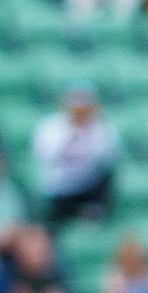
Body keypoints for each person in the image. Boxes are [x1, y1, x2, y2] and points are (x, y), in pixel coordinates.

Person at [31, 85, 119, 225]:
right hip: (59, 187)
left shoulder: (100, 128)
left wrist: (87, 132)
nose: (79, 112)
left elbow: (107, 158)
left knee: (107, 177)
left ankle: (93, 211)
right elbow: (47, 156)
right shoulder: (51, 126)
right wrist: (72, 133)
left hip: (87, 185)